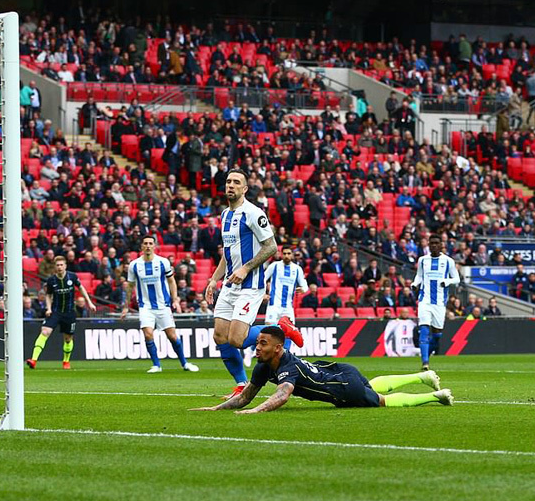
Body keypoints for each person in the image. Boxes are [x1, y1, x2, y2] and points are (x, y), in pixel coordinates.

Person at [190, 326, 453, 413]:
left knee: (380, 401)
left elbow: (283, 395)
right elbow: (245, 396)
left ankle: (435, 396)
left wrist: (257, 411)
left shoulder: (287, 367)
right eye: (258, 343)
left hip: (341, 387)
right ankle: (423, 376)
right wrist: (215, 409)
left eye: (263, 343)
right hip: (340, 369)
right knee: (372, 386)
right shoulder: (263, 366)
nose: (256, 348)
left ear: (279, 348)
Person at [205, 169, 278, 399]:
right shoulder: (225, 215)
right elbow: (228, 255)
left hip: (250, 284)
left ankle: (280, 329)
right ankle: (240, 383)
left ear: (245, 188)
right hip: (229, 285)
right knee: (219, 336)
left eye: (236, 182)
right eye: (228, 182)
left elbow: (271, 246)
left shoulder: (253, 213)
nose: (231, 185)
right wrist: (213, 279)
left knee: (236, 340)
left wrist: (246, 268)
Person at [120, 235, 199, 373]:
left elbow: (171, 281)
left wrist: (175, 300)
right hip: (145, 306)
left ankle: (184, 363)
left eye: (151, 243)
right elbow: (130, 286)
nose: (148, 246)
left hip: (163, 305)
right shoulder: (134, 265)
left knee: (172, 336)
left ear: (154, 246)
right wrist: (126, 306)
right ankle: (156, 365)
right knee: (148, 334)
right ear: (141, 247)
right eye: (145, 243)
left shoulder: (163, 262)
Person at [27, 255, 97, 370]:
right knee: (45, 331)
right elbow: (48, 295)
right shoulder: (51, 280)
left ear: (65, 266)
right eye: (57, 265)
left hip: (69, 312)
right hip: (55, 311)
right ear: (55, 267)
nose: (59, 267)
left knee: (68, 338)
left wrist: (89, 302)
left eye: (61, 265)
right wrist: (48, 308)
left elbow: (81, 288)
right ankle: (33, 360)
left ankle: (66, 361)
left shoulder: (72, 277)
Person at [244, 247, 306, 367]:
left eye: (289, 253)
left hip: (288, 307)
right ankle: (250, 350)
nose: (287, 255)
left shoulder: (297, 269)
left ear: (292, 255)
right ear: (281, 254)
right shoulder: (275, 266)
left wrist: (303, 289)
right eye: (285, 253)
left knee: (288, 332)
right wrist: (262, 293)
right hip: (274, 305)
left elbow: (304, 284)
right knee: (267, 331)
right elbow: (263, 279)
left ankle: (285, 358)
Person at [412, 234, 460, 371]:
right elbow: (419, 276)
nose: (433, 245)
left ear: (441, 245)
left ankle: (428, 352)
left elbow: (456, 279)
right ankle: (425, 362)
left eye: (436, 243)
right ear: (428, 244)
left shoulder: (448, 261)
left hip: (439, 302)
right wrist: (415, 284)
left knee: (437, 334)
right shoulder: (422, 260)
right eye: (431, 243)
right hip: (424, 300)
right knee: (424, 330)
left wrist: (447, 281)